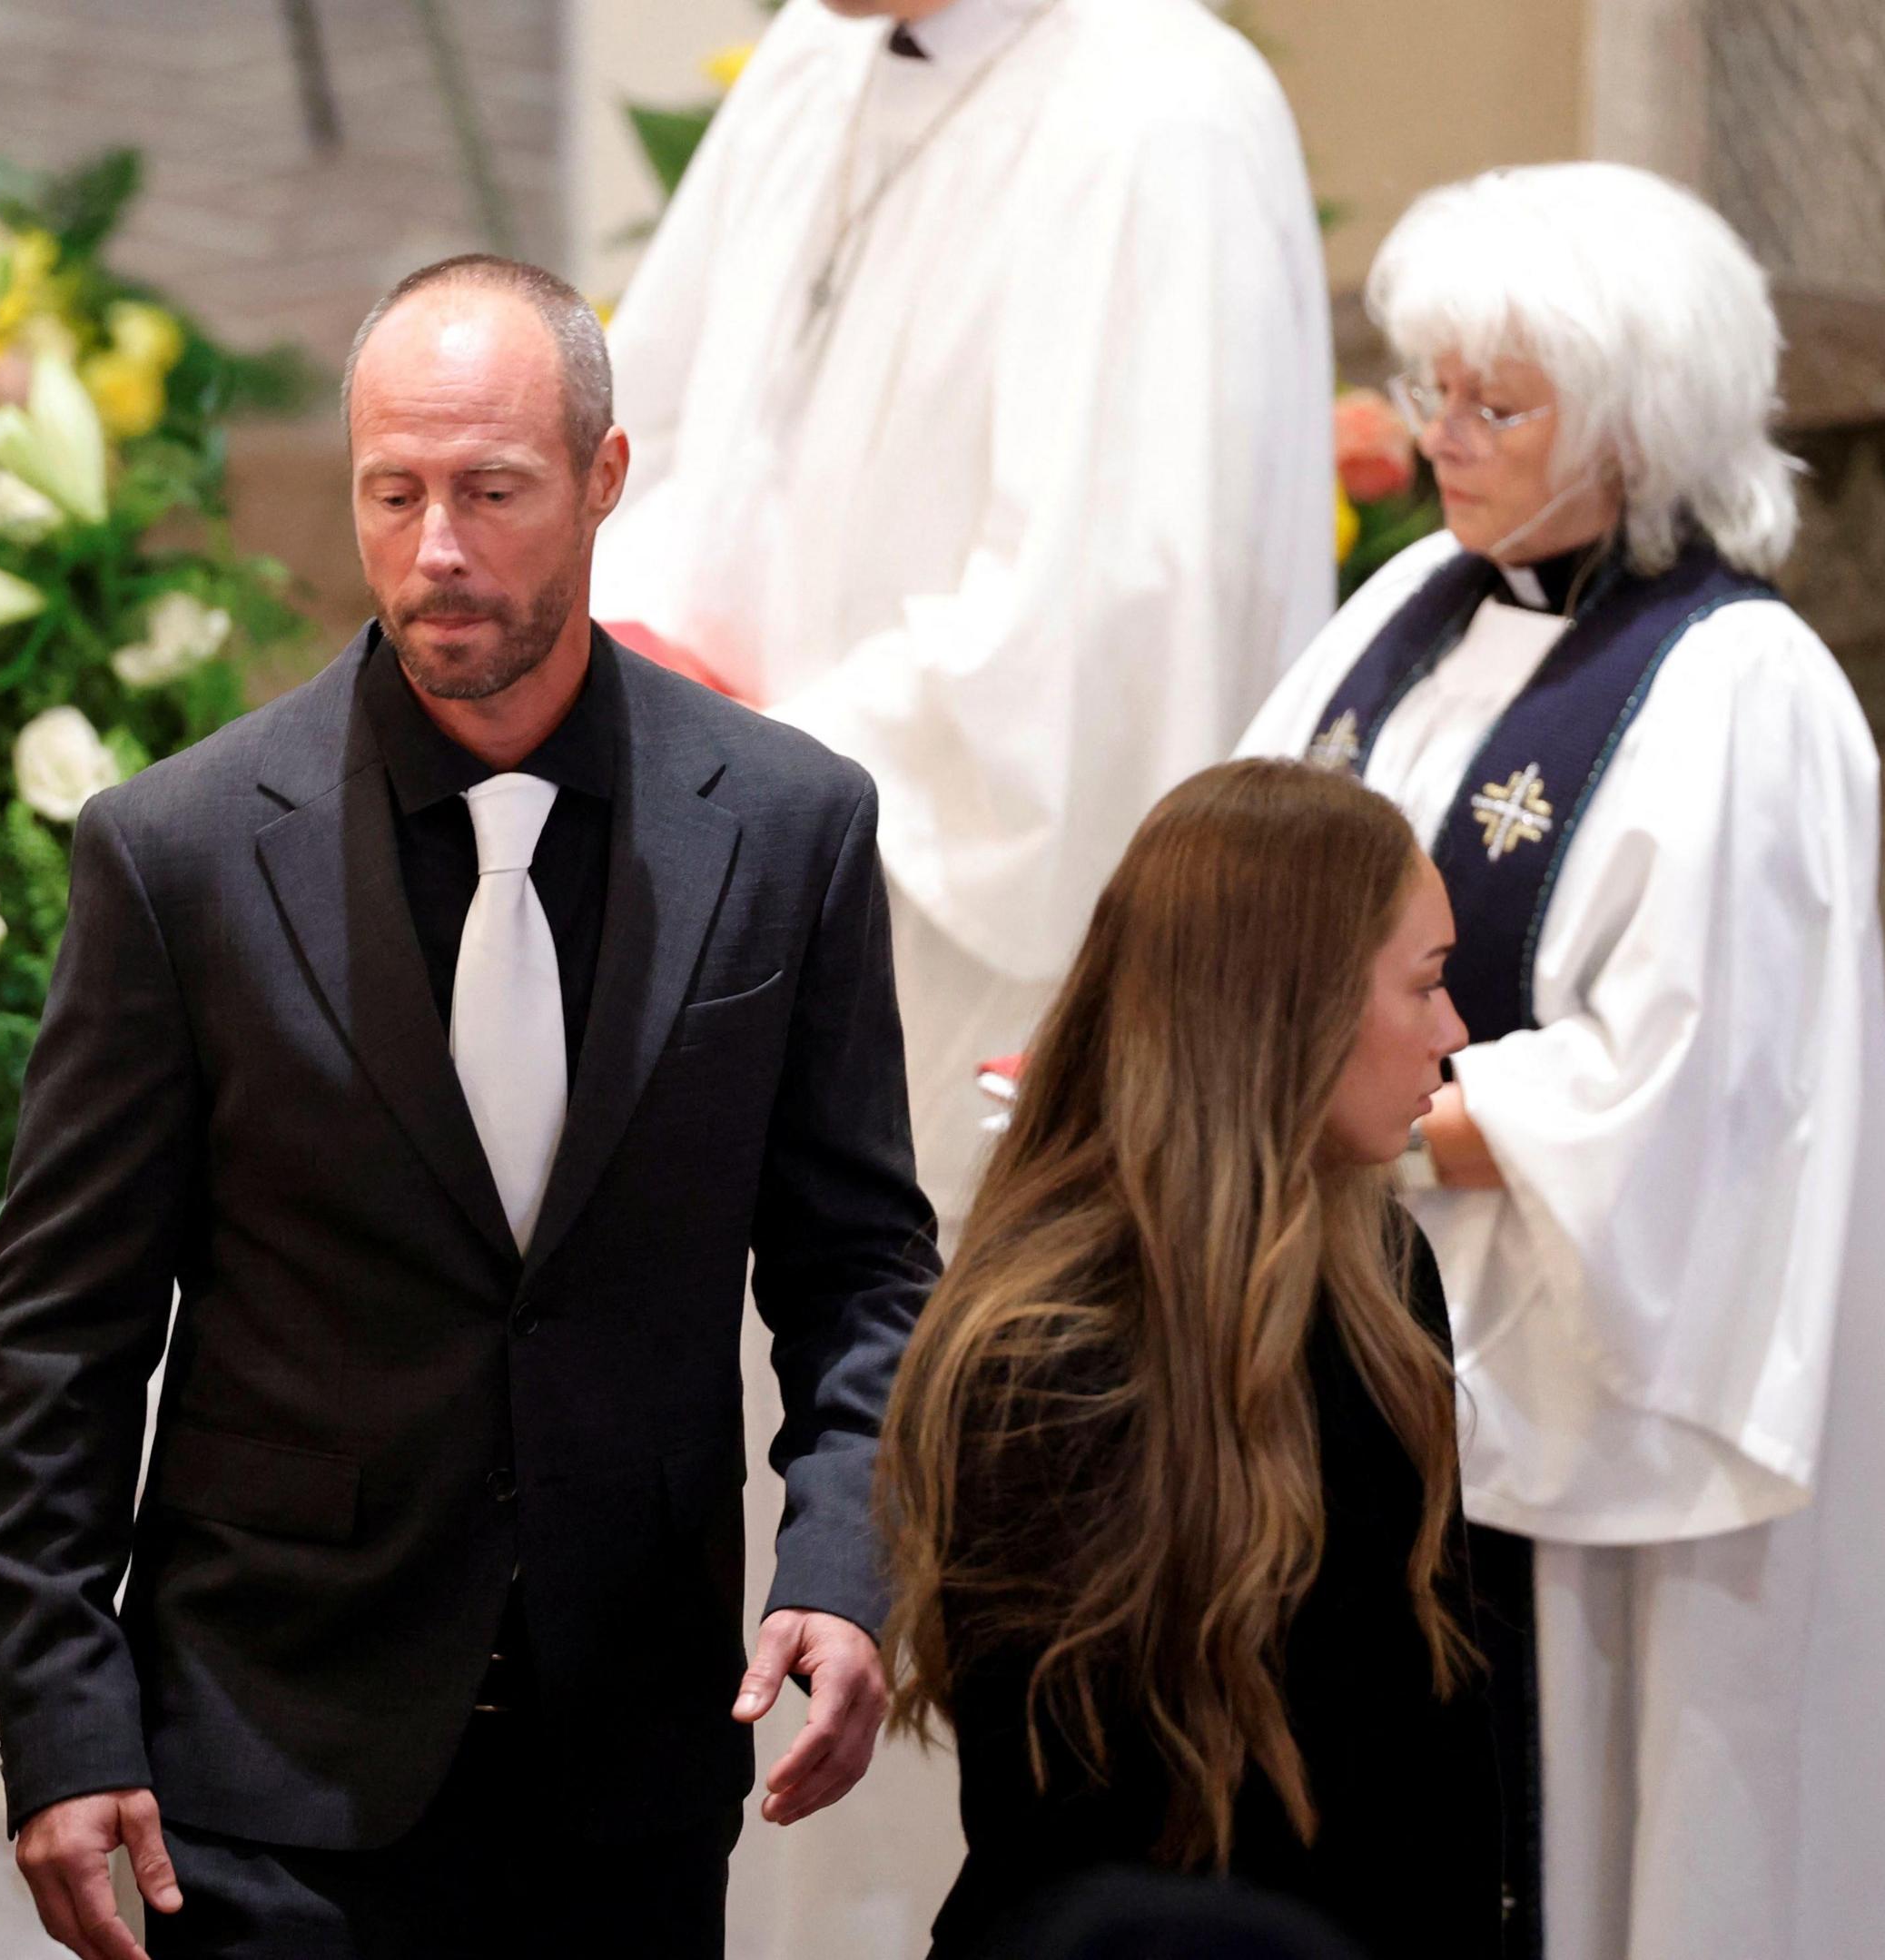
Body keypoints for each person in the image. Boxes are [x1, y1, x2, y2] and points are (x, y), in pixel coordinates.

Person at [0, 254, 942, 1960]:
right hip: (266, 1761)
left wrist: (843, 1562)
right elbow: (61, 1334)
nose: (436, 551)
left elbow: (862, 1267)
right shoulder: (178, 851)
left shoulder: (789, 827)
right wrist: (63, 1719)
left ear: (603, 479)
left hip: (632, 1758)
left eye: (491, 492)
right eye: (392, 492)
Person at [596, 10, 1332, 1928]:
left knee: (929, 1500)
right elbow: (659, 435)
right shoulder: (832, 69)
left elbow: (1111, 628)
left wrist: (761, 754)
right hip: (755, 895)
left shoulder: (1160, 116)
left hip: (975, 961)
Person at [1236, 163, 1885, 1959]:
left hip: (1579, 1408)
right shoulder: (1400, 622)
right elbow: (1237, 882)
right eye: (1428, 389)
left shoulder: (1736, 690)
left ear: (1641, 419)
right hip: (1347, 1348)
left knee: (1585, 1848)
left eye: (1499, 402)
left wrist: (1339, 1123)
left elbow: (1690, 1110)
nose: (1441, 435)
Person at [879, 759, 1505, 1957]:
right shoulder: (1047, 1357)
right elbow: (1070, 1827)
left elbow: (1427, 1736)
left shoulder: (1379, 1261)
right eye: (1424, 986)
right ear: (1294, 1006)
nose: (1454, 1033)